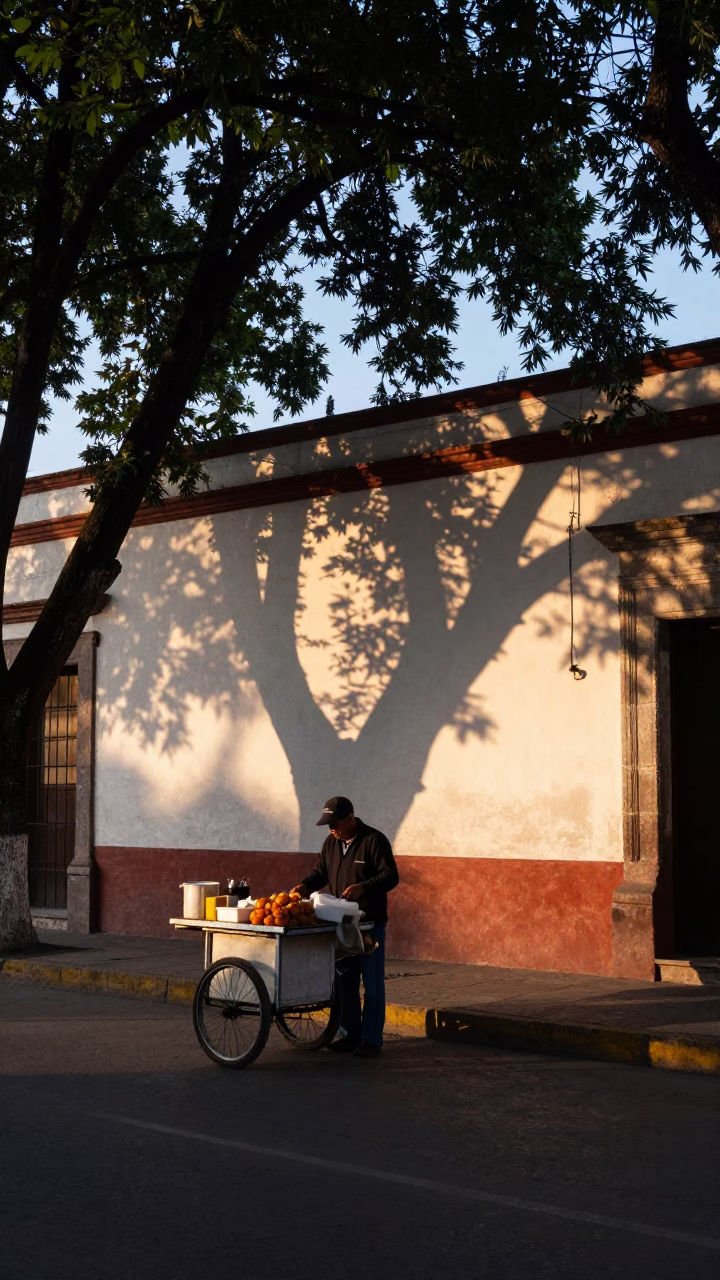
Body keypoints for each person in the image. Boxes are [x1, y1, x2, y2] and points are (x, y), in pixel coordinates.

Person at [292, 796, 399, 1059]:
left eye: (335, 823)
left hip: (368, 924)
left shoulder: (374, 840)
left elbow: (391, 875)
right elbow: (321, 872)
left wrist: (365, 887)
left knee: (372, 984)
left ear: (350, 817)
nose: (332, 829)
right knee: (344, 981)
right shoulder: (331, 843)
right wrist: (304, 887)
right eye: (328, 825)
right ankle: (350, 1034)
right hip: (340, 923)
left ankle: (372, 1040)